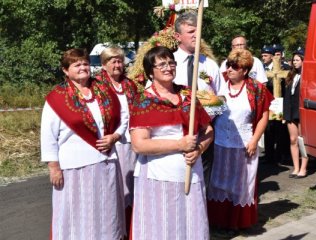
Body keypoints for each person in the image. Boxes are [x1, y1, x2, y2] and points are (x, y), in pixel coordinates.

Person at [41, 48, 126, 239]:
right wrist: (53, 166)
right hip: (74, 167)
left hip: (106, 163)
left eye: (85, 63)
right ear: (65, 70)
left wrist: (115, 136)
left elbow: (123, 118)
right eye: (76, 64)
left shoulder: (104, 90)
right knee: (78, 214)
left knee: (105, 211)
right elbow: (48, 134)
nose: (82, 67)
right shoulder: (57, 97)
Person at [130, 46, 213, 239]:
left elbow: (208, 130)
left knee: (191, 227)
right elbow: (139, 145)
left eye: (171, 63)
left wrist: (199, 149)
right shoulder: (144, 100)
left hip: (191, 174)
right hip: (159, 177)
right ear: (151, 71)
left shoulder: (188, 94)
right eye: (162, 64)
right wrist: (179, 145)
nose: (168, 67)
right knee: (164, 228)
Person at [207, 49, 273, 231]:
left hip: (244, 144)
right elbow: (209, 113)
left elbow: (263, 116)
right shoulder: (219, 86)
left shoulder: (256, 89)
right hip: (220, 143)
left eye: (234, 67)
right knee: (219, 183)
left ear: (244, 70)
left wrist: (254, 140)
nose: (229, 69)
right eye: (228, 65)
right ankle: (219, 221)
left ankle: (237, 223)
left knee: (241, 184)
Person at [174, 11, 224, 189]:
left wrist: (206, 115)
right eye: (191, 31)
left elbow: (221, 98)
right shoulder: (168, 63)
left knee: (202, 185)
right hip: (176, 135)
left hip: (205, 135)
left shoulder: (208, 65)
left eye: (198, 30)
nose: (196, 35)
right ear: (178, 36)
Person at [96, 46, 138, 235]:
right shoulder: (96, 85)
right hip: (111, 143)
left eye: (120, 60)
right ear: (104, 65)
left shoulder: (130, 85)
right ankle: (115, 229)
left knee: (131, 185)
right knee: (114, 188)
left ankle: (130, 227)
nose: (117, 64)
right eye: (113, 61)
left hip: (132, 141)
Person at [262, 45, 291, 164]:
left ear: (273, 56)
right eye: (262, 55)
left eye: (266, 55)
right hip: (267, 104)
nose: (263, 58)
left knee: (279, 129)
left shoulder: (283, 68)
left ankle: (280, 155)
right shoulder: (262, 68)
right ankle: (269, 155)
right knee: (267, 129)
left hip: (278, 103)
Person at [283, 47, 308, 178]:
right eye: (294, 60)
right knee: (293, 139)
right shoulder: (290, 75)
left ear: (304, 61)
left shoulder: (307, 76)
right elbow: (287, 95)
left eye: (298, 60)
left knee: (301, 140)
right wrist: (285, 113)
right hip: (290, 111)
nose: (295, 62)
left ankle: (303, 168)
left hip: (301, 111)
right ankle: (296, 167)